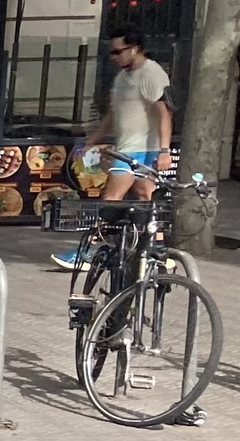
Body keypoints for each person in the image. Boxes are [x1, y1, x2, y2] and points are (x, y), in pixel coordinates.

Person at [54, 29, 175, 271]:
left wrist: (164, 150)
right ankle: (159, 254)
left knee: (111, 199)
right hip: (128, 147)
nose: (113, 57)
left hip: (141, 149)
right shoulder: (122, 77)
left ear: (134, 49)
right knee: (146, 199)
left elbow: (164, 113)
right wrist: (93, 140)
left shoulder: (152, 74)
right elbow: (114, 114)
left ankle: (88, 252)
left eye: (117, 51)